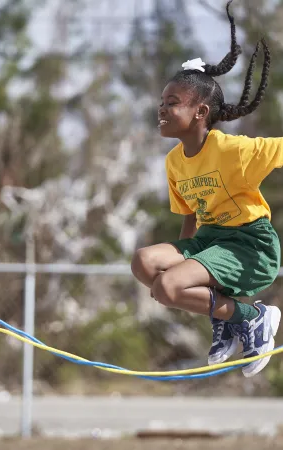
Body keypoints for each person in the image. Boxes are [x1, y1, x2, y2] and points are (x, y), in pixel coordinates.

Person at [131, 0, 282, 378]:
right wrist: (184, 263)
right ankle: (226, 317)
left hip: (249, 246)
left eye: (172, 103)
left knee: (166, 288)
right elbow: (189, 221)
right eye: (161, 102)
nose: (162, 109)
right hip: (210, 242)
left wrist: (179, 281)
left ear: (200, 112)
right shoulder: (174, 162)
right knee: (145, 263)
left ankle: (253, 316)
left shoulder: (234, 150)